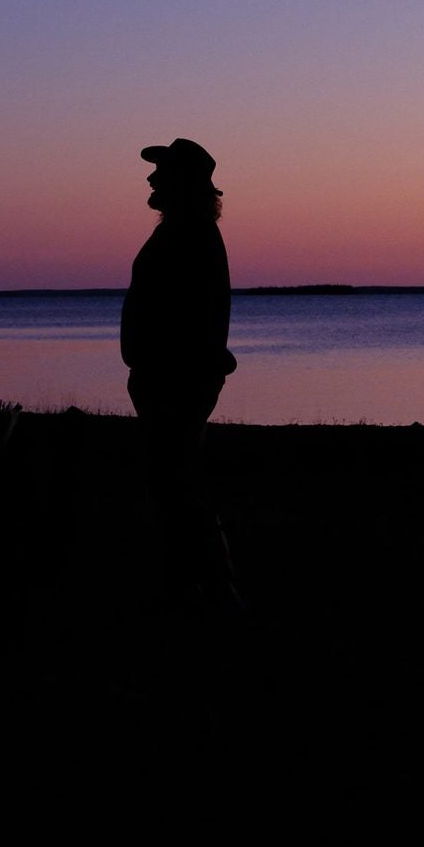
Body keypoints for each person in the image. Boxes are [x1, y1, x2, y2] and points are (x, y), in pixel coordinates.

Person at [120, 138, 239, 610]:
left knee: (177, 483)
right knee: (174, 481)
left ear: (182, 182)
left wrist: (172, 370)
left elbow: (191, 317)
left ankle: (212, 589)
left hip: (177, 381)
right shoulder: (184, 231)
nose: (151, 179)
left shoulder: (189, 234)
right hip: (170, 379)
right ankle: (197, 586)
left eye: (161, 171)